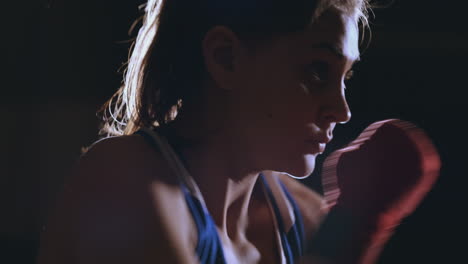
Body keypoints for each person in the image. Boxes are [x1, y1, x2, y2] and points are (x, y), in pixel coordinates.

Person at [37, 0, 440, 263]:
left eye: (344, 77)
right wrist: (353, 236)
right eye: (317, 71)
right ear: (226, 59)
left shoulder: (304, 218)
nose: (342, 109)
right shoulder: (123, 183)